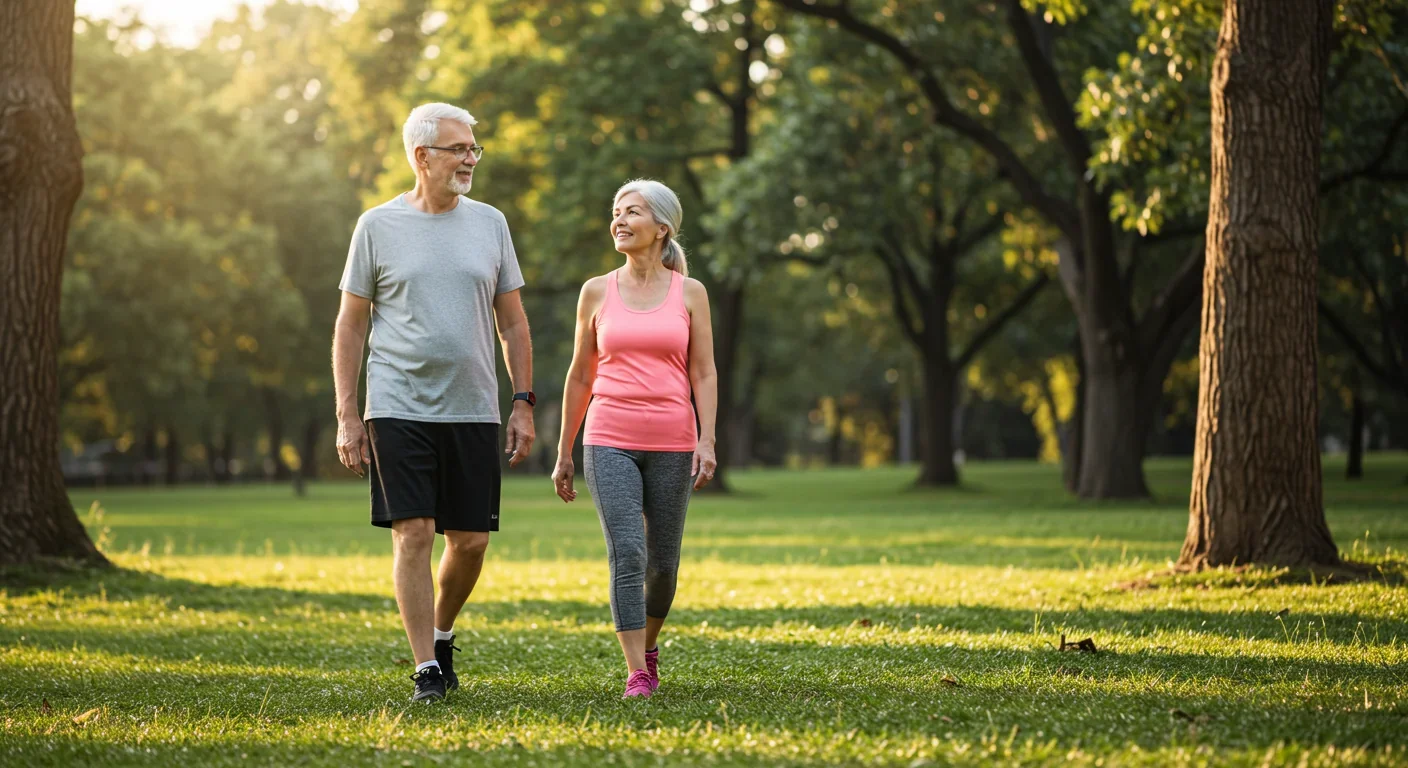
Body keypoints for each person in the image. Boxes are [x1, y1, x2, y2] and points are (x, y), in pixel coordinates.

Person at [332, 102, 536, 703]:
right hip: (396, 401)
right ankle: (426, 667)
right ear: (422, 156)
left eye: (474, 148)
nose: (471, 158)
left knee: (469, 541)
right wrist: (348, 412)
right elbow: (350, 326)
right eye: (460, 149)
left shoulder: (491, 223)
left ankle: (441, 635)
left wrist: (522, 401)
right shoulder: (376, 226)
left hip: (474, 404)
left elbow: (514, 323)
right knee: (413, 531)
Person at [551, 179, 719, 699]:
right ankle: (637, 672)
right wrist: (563, 451)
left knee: (662, 566)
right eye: (616, 211)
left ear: (661, 227)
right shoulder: (596, 291)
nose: (619, 220)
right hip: (609, 438)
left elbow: (705, 373)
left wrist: (706, 439)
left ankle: (649, 647)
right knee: (627, 552)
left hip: (672, 439)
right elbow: (580, 374)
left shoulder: (690, 293)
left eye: (633, 213)